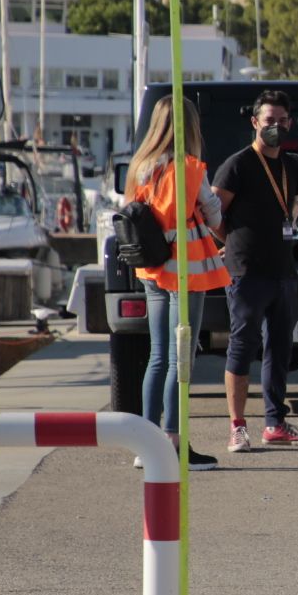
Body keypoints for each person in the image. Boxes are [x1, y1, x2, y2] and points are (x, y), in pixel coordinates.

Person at [126, 95, 231, 471]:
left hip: (152, 267)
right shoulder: (190, 168)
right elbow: (212, 210)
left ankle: (146, 443)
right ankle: (173, 441)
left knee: (157, 357)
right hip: (186, 269)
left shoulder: (140, 166)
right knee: (180, 358)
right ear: (190, 127)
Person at [211, 90, 298, 453]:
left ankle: (274, 422)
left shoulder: (290, 167)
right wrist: (230, 240)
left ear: (290, 123)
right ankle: (237, 427)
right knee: (242, 347)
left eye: (281, 120)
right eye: (268, 120)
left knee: (279, 348)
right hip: (246, 271)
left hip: (283, 271)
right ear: (255, 122)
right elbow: (212, 212)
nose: (275, 126)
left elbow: (296, 207)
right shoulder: (238, 164)